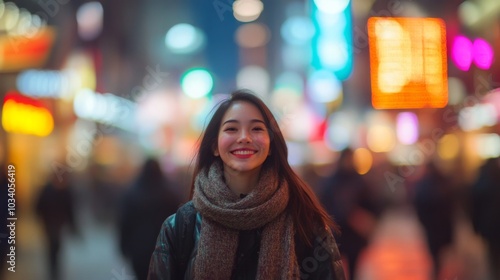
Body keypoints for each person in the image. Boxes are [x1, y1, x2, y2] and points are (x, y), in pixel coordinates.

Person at [148, 90, 345, 279]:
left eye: (257, 129)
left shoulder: (305, 223)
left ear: (270, 146)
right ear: (215, 146)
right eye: (232, 129)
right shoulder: (181, 227)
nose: (244, 137)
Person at [319, 148, 380, 280]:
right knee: (334, 270)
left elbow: (372, 205)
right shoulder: (331, 182)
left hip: (354, 236)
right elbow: (323, 206)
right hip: (336, 233)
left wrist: (366, 219)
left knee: (353, 269)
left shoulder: (360, 182)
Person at [118, 158, 180, 280]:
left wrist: (123, 246)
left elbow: (125, 222)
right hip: (165, 249)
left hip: (138, 250)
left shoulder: (132, 193)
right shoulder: (171, 194)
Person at [35, 173, 78, 280]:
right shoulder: (47, 190)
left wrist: (73, 225)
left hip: (59, 225)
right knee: (52, 248)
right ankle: (53, 269)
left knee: (57, 247)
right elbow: (39, 206)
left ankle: (55, 269)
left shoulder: (66, 191)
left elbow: (70, 210)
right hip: (49, 224)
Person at [469, 157, 500, 279]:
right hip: (490, 226)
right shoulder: (484, 184)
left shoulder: (480, 183)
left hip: (488, 227)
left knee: (493, 254)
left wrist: (476, 227)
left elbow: (474, 209)